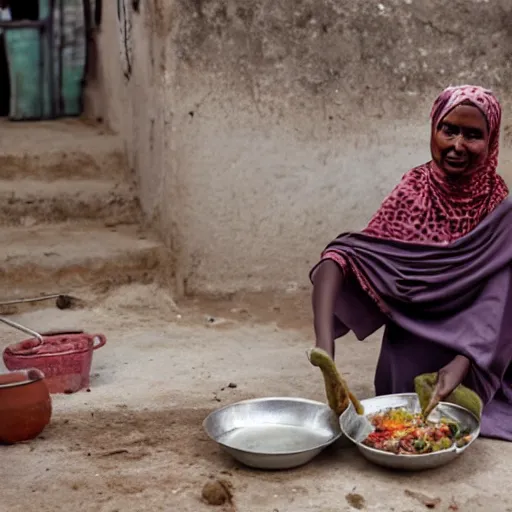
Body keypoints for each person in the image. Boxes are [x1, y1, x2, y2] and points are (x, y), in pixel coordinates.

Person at [310, 84, 512, 441]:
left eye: (473, 135)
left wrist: (462, 362)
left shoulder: (498, 207)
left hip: (475, 349)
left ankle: (470, 381)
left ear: (491, 140)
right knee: (403, 417)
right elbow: (346, 256)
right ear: (433, 127)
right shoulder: (414, 190)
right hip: (410, 348)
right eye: (448, 129)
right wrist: (325, 352)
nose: (457, 146)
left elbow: (497, 301)